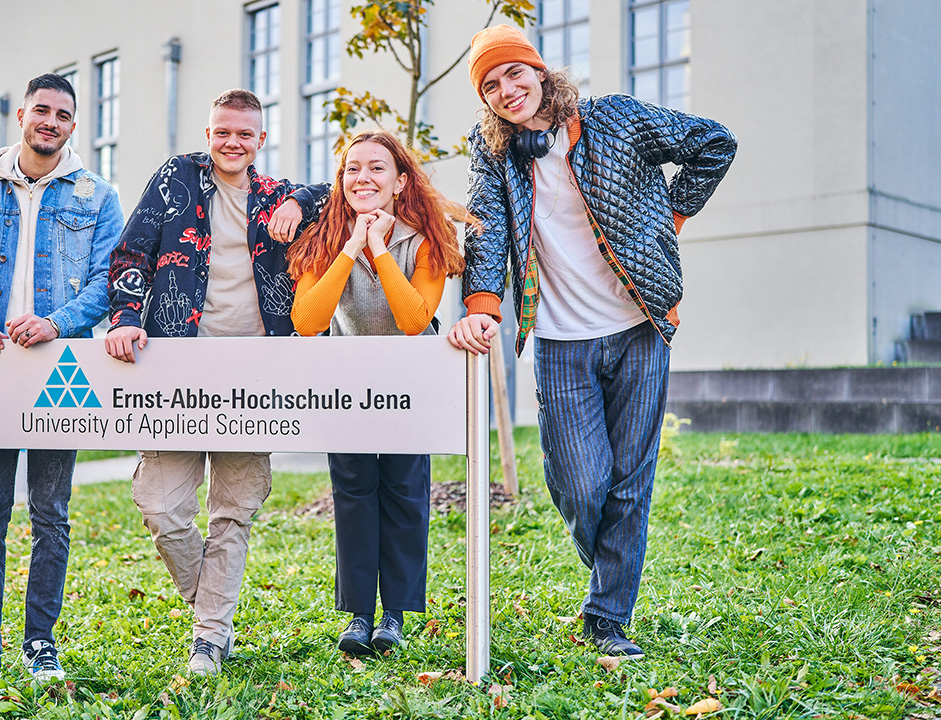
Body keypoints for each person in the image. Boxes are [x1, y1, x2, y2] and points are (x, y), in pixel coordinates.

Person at [447, 26, 736, 659]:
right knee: (580, 484)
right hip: (559, 339)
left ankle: (607, 617)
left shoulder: (615, 119)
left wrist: (670, 221)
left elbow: (715, 144)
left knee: (631, 479)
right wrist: (483, 304)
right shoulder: (495, 152)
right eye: (490, 86)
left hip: (640, 327)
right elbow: (489, 226)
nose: (506, 90)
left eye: (514, 74)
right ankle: (613, 566)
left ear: (540, 72)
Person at [103, 89, 328, 677]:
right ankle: (214, 608)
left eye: (245, 135)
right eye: (223, 132)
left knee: (235, 508)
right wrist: (126, 318)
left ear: (260, 140)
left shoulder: (276, 196)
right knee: (160, 504)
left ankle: (209, 638)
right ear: (209, 134)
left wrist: (300, 200)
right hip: (178, 367)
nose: (233, 143)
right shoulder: (176, 178)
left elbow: (341, 194)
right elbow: (131, 254)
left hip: (255, 371)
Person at [0, 73, 124, 682]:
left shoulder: (97, 197)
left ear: (72, 124)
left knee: (51, 513)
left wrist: (58, 322)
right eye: (43, 111)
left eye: (64, 115)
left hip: (59, 367)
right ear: (21, 115)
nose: (52, 123)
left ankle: (41, 642)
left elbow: (106, 281)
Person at [289, 129, 465, 655]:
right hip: (348, 384)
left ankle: (395, 614)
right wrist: (350, 248)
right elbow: (306, 320)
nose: (362, 177)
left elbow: (415, 319)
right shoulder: (323, 240)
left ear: (400, 181)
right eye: (352, 169)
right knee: (354, 494)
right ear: (340, 182)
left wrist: (381, 249)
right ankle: (359, 615)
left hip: (410, 382)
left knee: (405, 494)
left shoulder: (427, 239)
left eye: (376, 168)